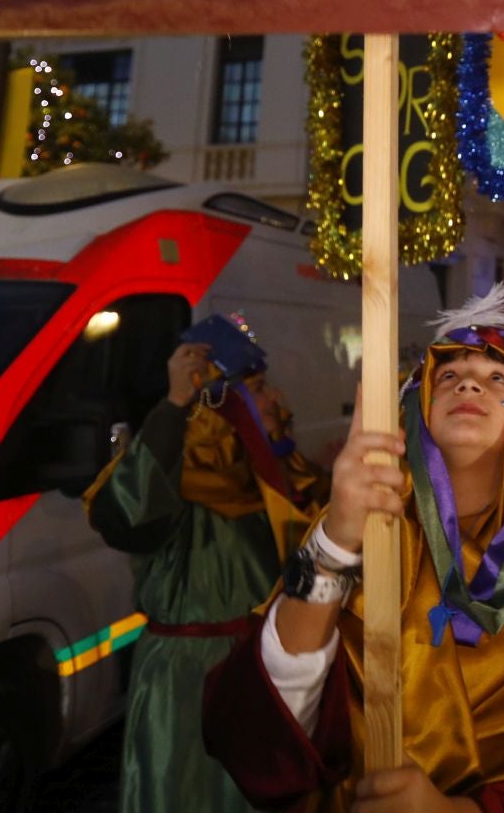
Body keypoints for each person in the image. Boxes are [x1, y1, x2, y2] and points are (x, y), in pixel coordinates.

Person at [200, 284, 504, 810]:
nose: (469, 386)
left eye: (496, 378)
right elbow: (261, 729)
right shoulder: (370, 516)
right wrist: (338, 540)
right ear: (421, 407)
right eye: (450, 376)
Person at [84, 314, 329, 813]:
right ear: (223, 403)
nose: (278, 399)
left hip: (260, 673)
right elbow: (129, 514)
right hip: (186, 689)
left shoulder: (264, 473)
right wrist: (175, 404)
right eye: (260, 388)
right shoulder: (174, 471)